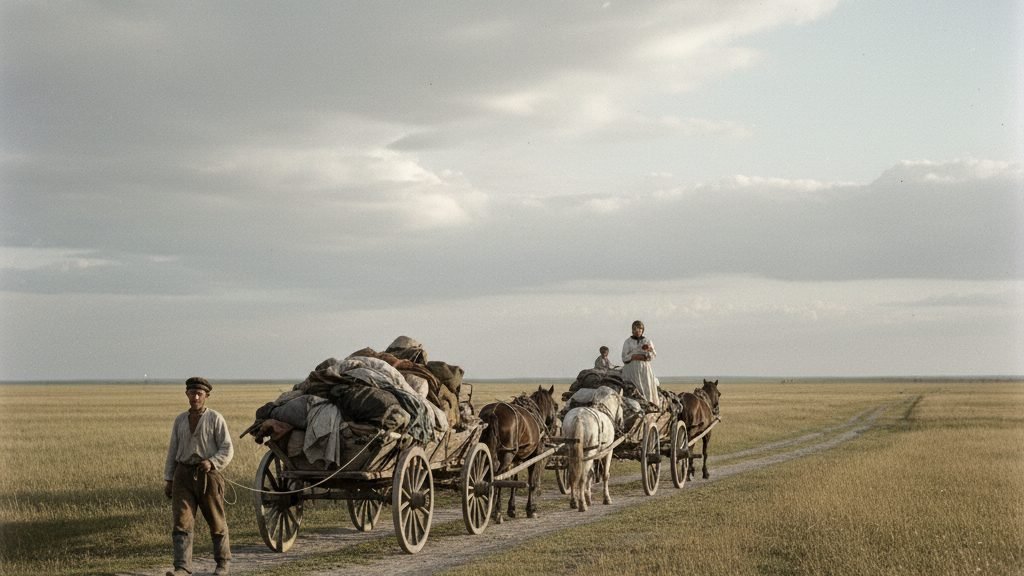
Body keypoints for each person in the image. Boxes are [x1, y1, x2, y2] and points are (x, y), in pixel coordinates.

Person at [164, 377, 234, 576]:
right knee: (181, 522)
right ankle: (182, 567)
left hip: (208, 475)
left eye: (199, 394)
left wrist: (212, 462)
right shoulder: (180, 420)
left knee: (216, 520)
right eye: (192, 393)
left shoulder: (215, 418)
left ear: (206, 396)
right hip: (182, 474)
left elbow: (227, 448)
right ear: (186, 394)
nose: (195, 397)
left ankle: (223, 564)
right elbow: (173, 451)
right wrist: (169, 479)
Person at [621, 320, 660, 408]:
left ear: (642, 330)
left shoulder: (647, 341)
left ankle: (649, 405)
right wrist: (633, 356)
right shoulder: (628, 341)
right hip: (631, 369)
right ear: (632, 330)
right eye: (635, 329)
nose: (637, 331)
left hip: (644, 369)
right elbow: (624, 357)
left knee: (647, 387)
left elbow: (653, 355)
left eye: (639, 329)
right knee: (633, 389)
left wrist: (647, 353)